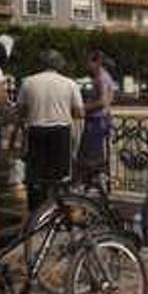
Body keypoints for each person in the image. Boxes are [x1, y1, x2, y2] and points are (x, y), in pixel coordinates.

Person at [17, 50, 84, 210]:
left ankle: (35, 210)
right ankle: (58, 208)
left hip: (36, 130)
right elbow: (79, 112)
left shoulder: (28, 82)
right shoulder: (69, 83)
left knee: (36, 174)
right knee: (60, 174)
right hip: (60, 132)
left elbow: (21, 110)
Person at [76, 49, 116, 182]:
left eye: (89, 62)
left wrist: (83, 107)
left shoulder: (101, 78)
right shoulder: (102, 76)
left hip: (97, 119)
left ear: (96, 62)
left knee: (92, 154)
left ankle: (96, 181)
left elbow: (103, 101)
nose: (87, 65)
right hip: (99, 119)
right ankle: (94, 181)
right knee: (93, 153)